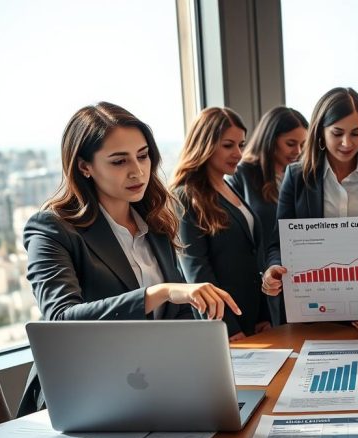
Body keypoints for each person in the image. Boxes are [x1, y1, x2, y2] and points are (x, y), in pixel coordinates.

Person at [19, 102, 239, 415]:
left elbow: (176, 318)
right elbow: (60, 322)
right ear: (85, 166)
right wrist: (159, 292)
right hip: (84, 393)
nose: (137, 171)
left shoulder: (155, 221)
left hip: (155, 384)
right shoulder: (52, 228)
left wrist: (204, 368)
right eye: (119, 161)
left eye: (143, 155)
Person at [262, 87, 358, 332]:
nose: (348, 143)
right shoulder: (296, 177)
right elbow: (279, 242)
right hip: (311, 312)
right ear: (320, 132)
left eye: (356, 133)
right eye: (337, 133)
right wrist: (272, 269)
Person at [172, 107, 271, 339]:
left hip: (251, 316)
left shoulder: (230, 188)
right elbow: (196, 270)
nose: (238, 153)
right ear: (204, 145)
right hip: (224, 324)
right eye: (228, 145)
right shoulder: (185, 196)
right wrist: (227, 326)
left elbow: (253, 257)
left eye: (241, 145)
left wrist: (263, 315)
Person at [230, 106, 308, 325]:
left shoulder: (300, 177)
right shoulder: (242, 173)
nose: (298, 151)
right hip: (261, 278)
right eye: (291, 144)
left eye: (303, 144)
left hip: (295, 276)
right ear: (271, 139)